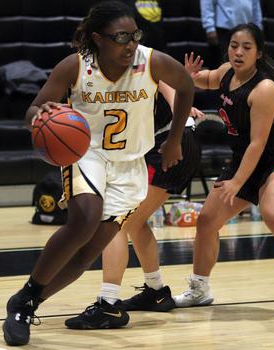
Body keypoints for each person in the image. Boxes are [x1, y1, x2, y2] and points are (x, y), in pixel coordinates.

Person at [2, 1, 194, 346]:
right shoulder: (74, 66)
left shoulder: (151, 61)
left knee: (87, 252)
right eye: (121, 37)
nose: (131, 43)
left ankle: (27, 301)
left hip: (130, 163)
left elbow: (185, 85)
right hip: (85, 153)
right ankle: (23, 303)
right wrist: (39, 114)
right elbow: (32, 109)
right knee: (84, 218)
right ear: (98, 38)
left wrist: (176, 138)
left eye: (135, 35)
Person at [173, 23, 274, 313]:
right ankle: (199, 288)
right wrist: (188, 77)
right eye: (234, 45)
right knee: (206, 222)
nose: (238, 52)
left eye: (246, 47)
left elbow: (258, 144)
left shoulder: (264, 88)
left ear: (259, 53)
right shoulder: (227, 72)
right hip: (243, 161)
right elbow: (207, 79)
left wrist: (238, 182)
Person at [63, 81, 204, 329]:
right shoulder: (97, 77)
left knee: (115, 221)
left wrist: (180, 108)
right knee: (135, 223)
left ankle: (108, 304)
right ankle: (156, 291)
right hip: (169, 141)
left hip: (170, 140)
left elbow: (163, 80)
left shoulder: (128, 61)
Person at [200, 0, 262, 68]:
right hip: (223, 30)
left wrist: (258, 30)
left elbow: (256, 8)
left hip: (247, 30)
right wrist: (209, 27)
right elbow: (207, 3)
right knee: (223, 65)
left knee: (244, 65)